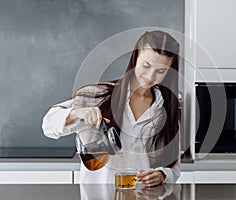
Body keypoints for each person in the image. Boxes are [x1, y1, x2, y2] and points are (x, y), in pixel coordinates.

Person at [42, 30, 180, 186]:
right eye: (146, 66)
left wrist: (162, 174)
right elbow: (48, 125)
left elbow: (174, 167)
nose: (150, 76)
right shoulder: (99, 96)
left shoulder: (165, 109)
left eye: (160, 71)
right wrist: (76, 113)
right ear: (135, 59)